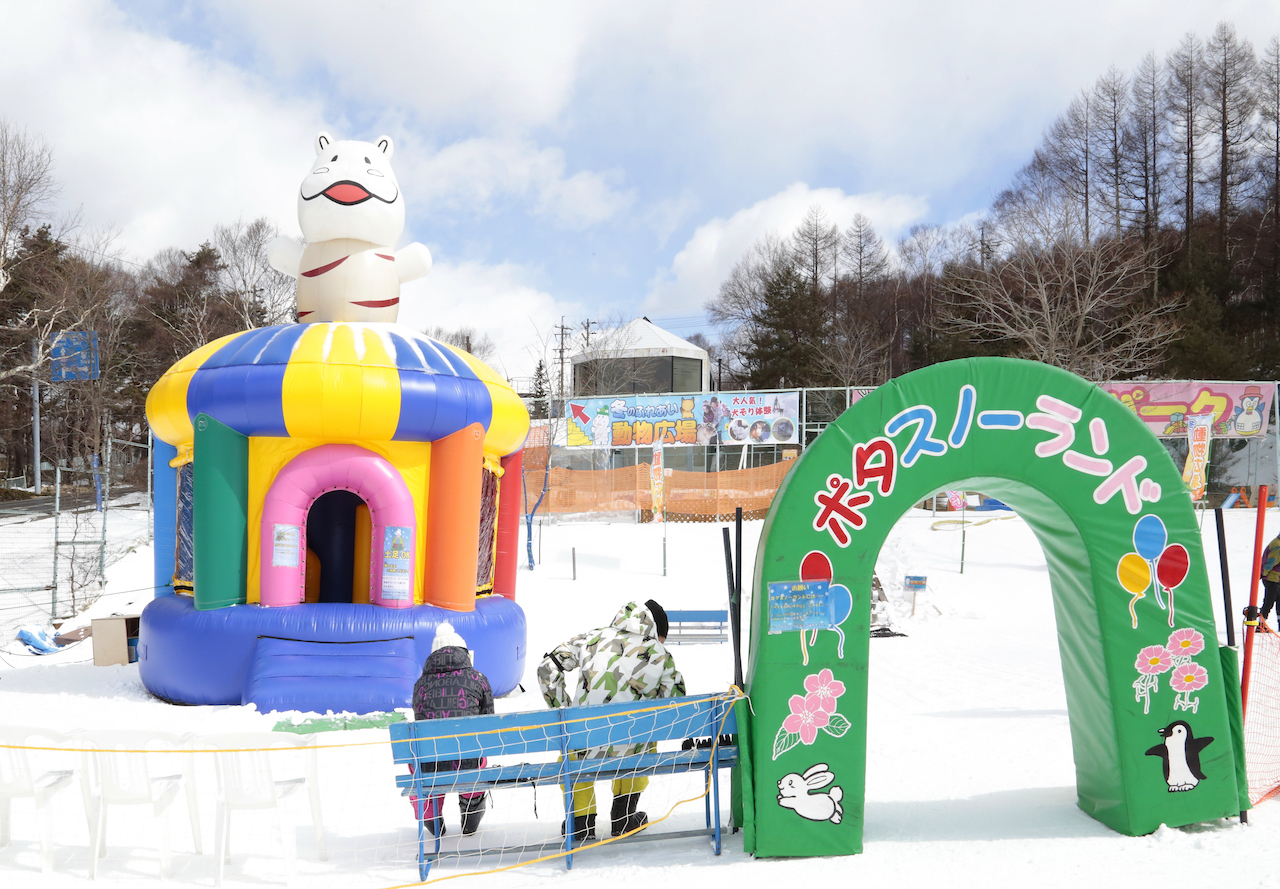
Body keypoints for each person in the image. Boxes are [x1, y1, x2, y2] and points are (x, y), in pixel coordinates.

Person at [536, 599, 685, 842]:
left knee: (573, 746)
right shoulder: (659, 653)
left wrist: (564, 711)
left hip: (584, 743)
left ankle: (581, 821)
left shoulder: (589, 639)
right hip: (631, 748)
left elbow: (546, 668)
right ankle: (624, 814)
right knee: (646, 737)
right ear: (657, 632)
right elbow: (674, 707)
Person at [410, 622, 494, 837]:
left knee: (425, 760)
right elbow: (489, 723)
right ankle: (471, 808)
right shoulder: (478, 679)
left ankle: (430, 814)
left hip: (430, 763)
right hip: (467, 763)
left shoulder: (420, 684)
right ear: (464, 653)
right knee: (474, 756)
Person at [1261, 533, 1280, 631]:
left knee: (1278, 600)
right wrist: (1264, 573)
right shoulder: (1278, 545)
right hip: (1271, 578)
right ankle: (1261, 625)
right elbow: (1271, 562)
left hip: (1276, 578)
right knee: (1269, 601)